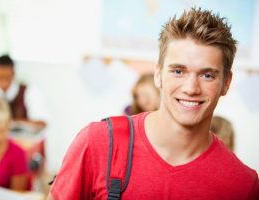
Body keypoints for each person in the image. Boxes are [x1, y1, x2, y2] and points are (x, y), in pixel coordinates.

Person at [47, 7, 259, 200]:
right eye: (178, 71)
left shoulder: (243, 185)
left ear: (226, 83)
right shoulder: (98, 143)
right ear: (158, 74)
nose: (191, 88)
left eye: (207, 75)